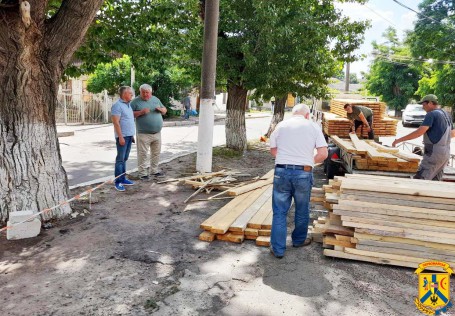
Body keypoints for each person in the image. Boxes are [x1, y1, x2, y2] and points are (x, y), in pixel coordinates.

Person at [269, 104, 328, 258]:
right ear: (307, 115)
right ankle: (299, 240)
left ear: (292, 113)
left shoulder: (281, 126)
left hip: (281, 172)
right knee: (302, 208)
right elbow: (323, 154)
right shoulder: (313, 127)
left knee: (279, 211)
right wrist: (308, 162)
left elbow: (274, 151)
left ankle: (278, 249)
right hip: (303, 172)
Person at [392, 94, 455, 180]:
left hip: (433, 154)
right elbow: (452, 134)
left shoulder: (431, 114)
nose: (422, 107)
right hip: (445, 154)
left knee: (420, 180)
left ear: (430, 103)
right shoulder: (446, 114)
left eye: (423, 104)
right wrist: (435, 138)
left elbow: (419, 132)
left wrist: (399, 140)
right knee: (435, 181)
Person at [131, 84, 167, 180]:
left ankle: (154, 171)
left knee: (156, 153)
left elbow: (165, 110)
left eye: (147, 92)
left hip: (157, 133)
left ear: (151, 92)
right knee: (143, 154)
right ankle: (142, 173)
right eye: (143, 92)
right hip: (143, 133)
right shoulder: (135, 102)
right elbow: (129, 115)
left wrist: (161, 110)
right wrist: (141, 112)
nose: (146, 94)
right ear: (140, 92)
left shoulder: (155, 99)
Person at [111, 86, 136, 192]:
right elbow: (116, 122)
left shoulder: (128, 105)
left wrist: (132, 135)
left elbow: (129, 121)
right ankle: (118, 182)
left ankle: (123, 178)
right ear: (124, 94)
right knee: (120, 160)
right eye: (130, 93)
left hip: (129, 136)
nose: (132, 95)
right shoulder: (117, 106)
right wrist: (120, 137)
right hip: (122, 137)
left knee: (124, 159)